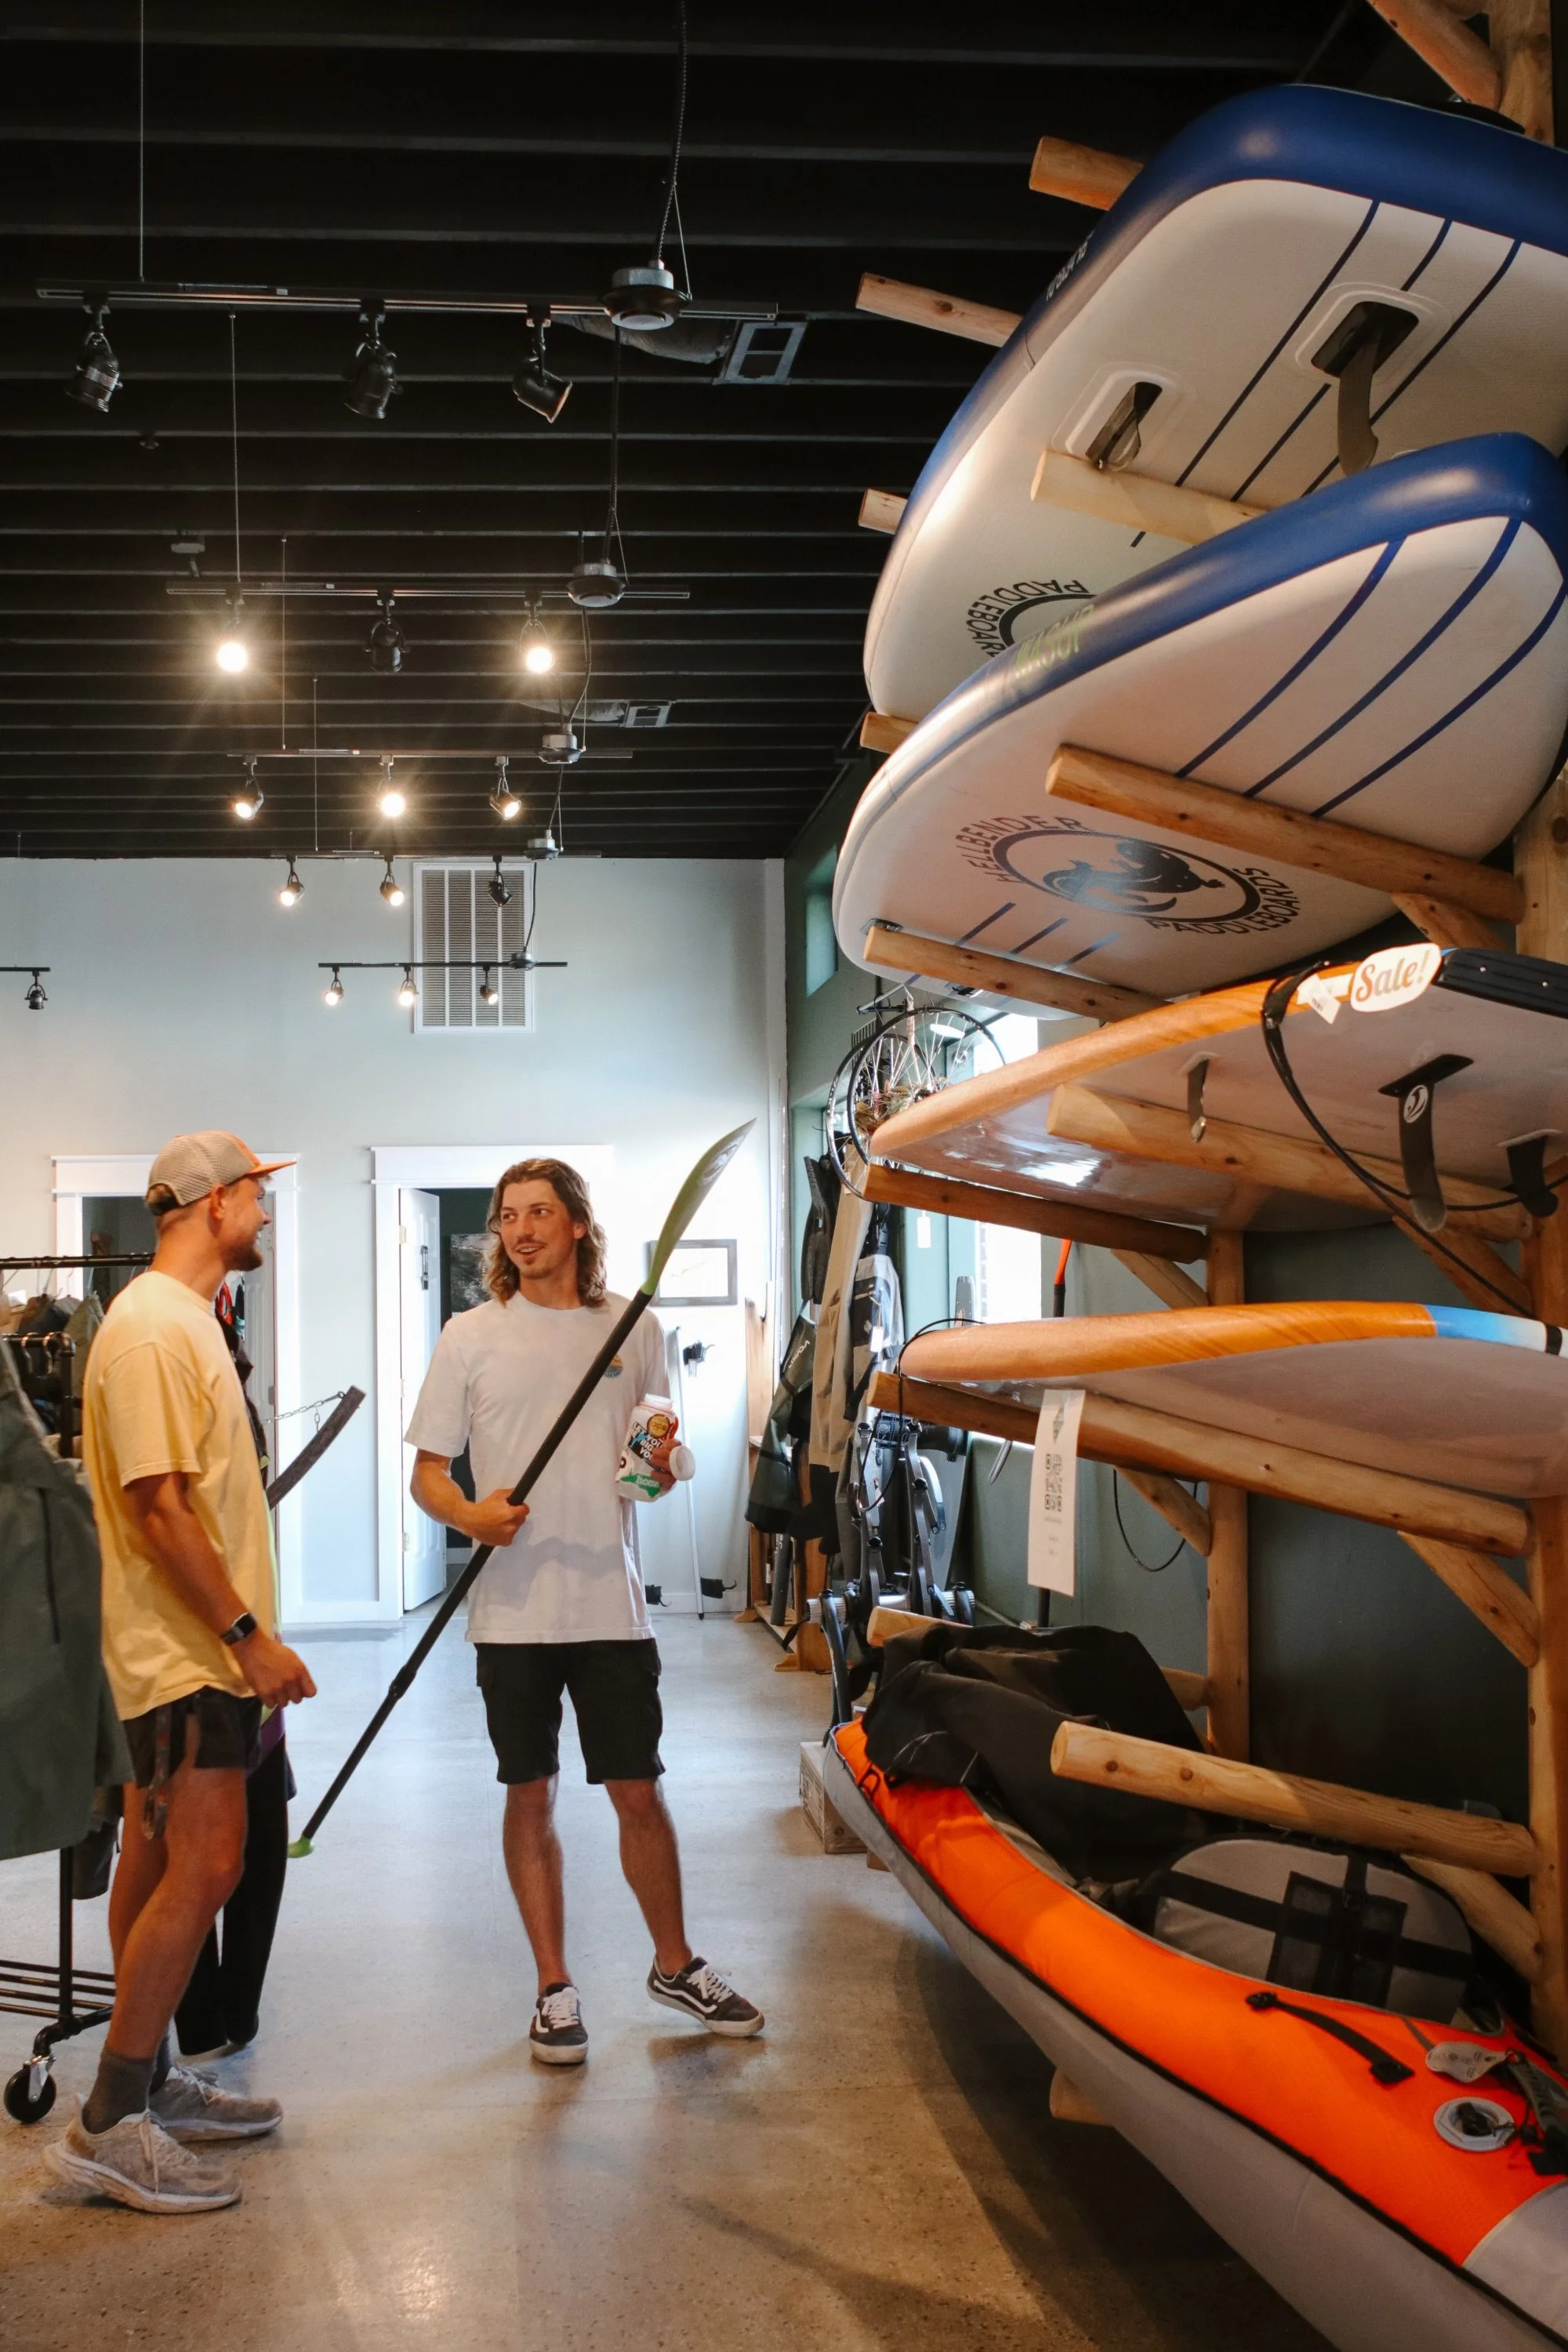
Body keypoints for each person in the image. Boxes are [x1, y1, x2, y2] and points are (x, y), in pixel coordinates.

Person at [407, 1157, 762, 2066]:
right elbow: (428, 1476)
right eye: (507, 1217)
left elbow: (648, 1459)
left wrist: (655, 1461)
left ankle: (674, 1964)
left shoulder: (633, 1330)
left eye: (538, 1213)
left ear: (575, 1226)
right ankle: (553, 1987)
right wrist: (469, 1514)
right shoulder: (469, 1336)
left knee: (636, 1789)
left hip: (610, 1602)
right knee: (530, 1792)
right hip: (512, 1615)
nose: (520, 1230)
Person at [49, 1133, 318, 2215]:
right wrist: (247, 1634)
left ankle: (152, 2082)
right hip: (185, 1653)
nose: (264, 1209)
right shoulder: (157, 1330)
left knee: (161, 1869)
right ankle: (111, 2122)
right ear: (213, 1203)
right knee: (207, 1867)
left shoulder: (182, 1322)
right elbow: (159, 1507)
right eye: (256, 1192)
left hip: (187, 1652)